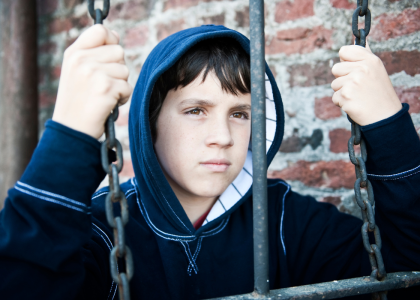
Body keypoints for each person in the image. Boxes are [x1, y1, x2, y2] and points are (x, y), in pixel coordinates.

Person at [0, 24, 419, 300]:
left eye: (240, 114)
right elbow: (23, 283)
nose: (223, 136)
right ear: (150, 123)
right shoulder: (100, 230)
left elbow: (403, 269)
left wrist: (388, 128)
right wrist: (70, 132)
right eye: (196, 110)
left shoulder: (288, 222)